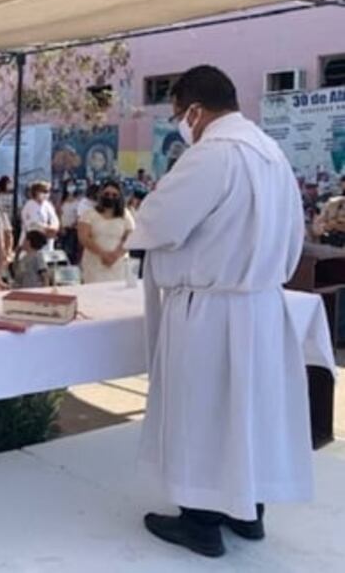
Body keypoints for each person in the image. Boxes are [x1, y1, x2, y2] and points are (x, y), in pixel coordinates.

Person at [127, 65, 313, 557]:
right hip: (261, 304)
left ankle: (201, 521)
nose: (180, 127)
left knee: (206, 410)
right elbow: (295, 237)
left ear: (194, 110)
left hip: (212, 308)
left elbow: (159, 221)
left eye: (177, 115)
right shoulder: (272, 153)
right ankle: (246, 511)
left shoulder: (211, 155)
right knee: (247, 410)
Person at [78, 180, 134, 284]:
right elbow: (84, 238)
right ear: (101, 195)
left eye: (114, 195)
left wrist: (115, 255)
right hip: (94, 264)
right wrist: (103, 254)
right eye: (107, 194)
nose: (110, 197)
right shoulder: (88, 214)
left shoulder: (126, 215)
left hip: (119, 264)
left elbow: (130, 237)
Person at [20, 181, 59, 251]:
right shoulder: (29, 205)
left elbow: (55, 220)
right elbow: (31, 224)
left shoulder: (48, 205)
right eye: (43, 191)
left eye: (47, 192)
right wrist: (45, 228)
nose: (46, 194)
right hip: (32, 242)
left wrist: (54, 228)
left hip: (47, 241)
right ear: (36, 192)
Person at [59, 180, 81, 264]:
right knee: (63, 250)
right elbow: (60, 214)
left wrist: (73, 225)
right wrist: (61, 227)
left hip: (72, 229)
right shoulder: (62, 201)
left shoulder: (78, 201)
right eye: (69, 185)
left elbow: (78, 216)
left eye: (72, 185)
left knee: (71, 251)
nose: (70, 188)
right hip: (63, 228)